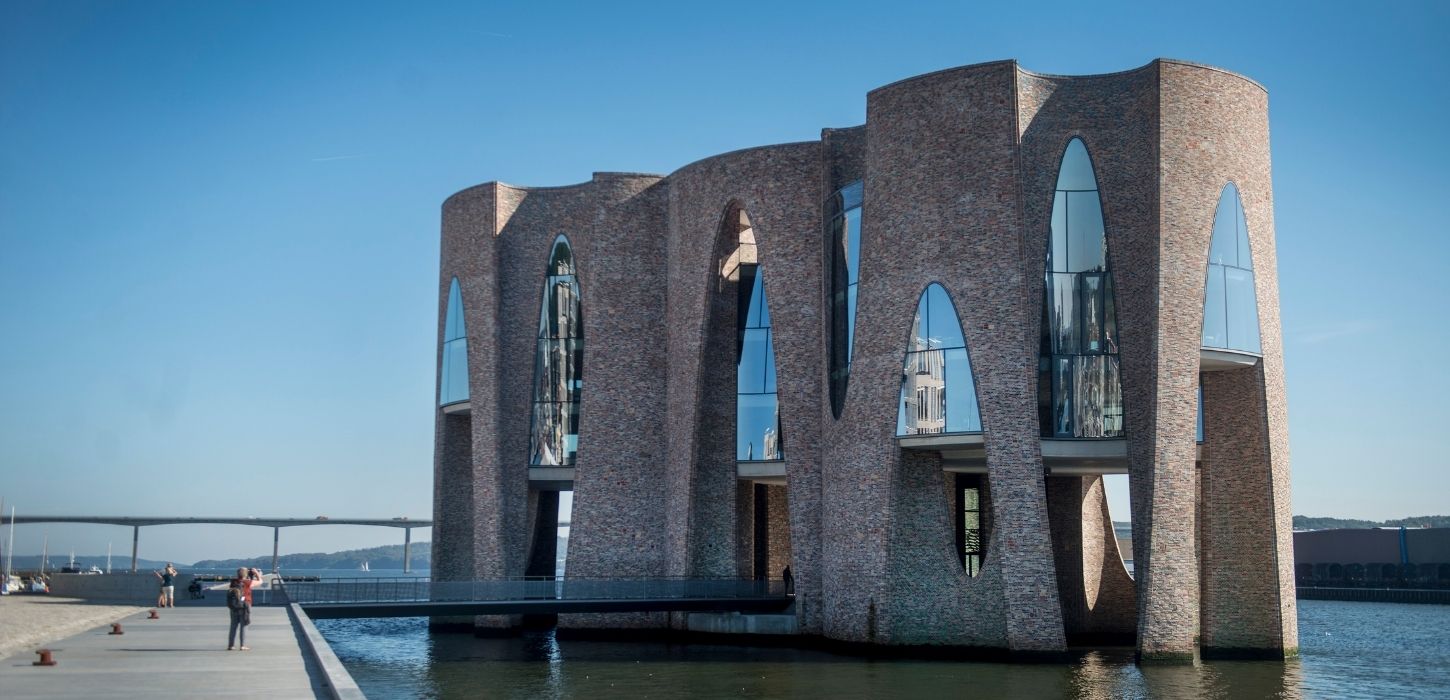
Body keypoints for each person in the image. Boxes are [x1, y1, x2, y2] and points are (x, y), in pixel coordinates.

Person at [227, 567, 262, 651]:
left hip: (234, 606)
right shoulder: (248, 582)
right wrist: (256, 573)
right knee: (244, 626)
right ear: (246, 574)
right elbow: (260, 581)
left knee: (233, 626)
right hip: (245, 606)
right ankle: (242, 645)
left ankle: (231, 645)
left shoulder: (233, 582)